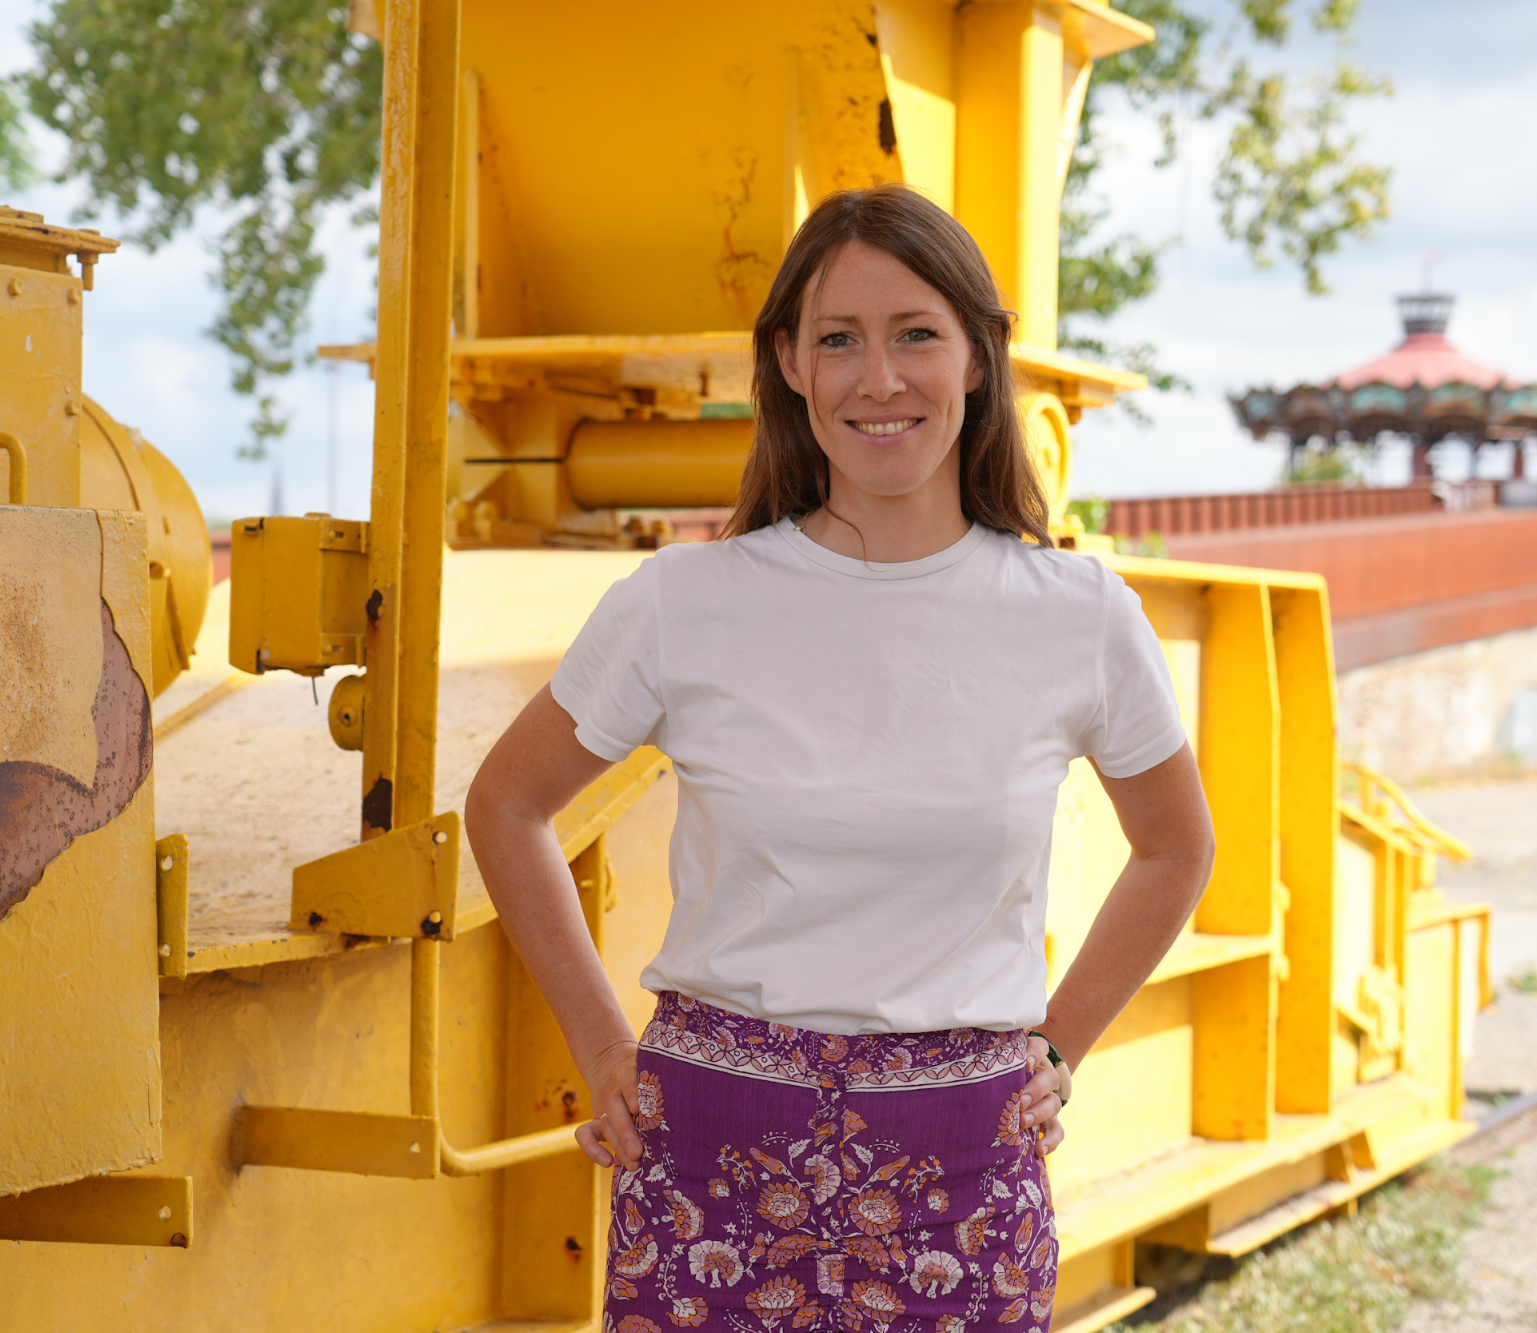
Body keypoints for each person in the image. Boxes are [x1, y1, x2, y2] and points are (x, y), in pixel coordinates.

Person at [466, 184, 1214, 1333]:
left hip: (964, 1178)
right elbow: (506, 807)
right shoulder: (684, 602)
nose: (879, 379)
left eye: (916, 333)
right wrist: (602, 1044)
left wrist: (1058, 1046)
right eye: (838, 341)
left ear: (976, 358)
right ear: (790, 365)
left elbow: (1174, 849)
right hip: (707, 1166)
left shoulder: (1077, 612)